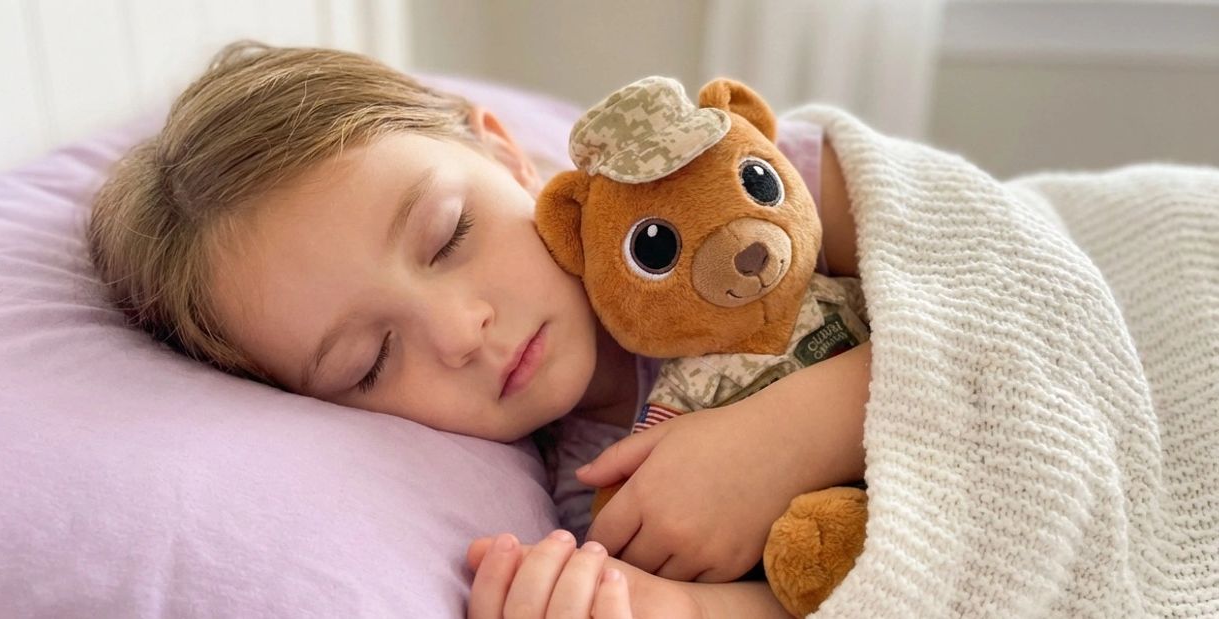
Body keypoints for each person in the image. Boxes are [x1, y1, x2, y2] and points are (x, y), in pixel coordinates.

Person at [86, 41, 871, 618]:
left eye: (448, 235)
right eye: (371, 360)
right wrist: (666, 606)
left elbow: (983, 282)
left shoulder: (724, 177)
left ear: (501, 151)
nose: (461, 331)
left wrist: (796, 432)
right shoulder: (584, 502)